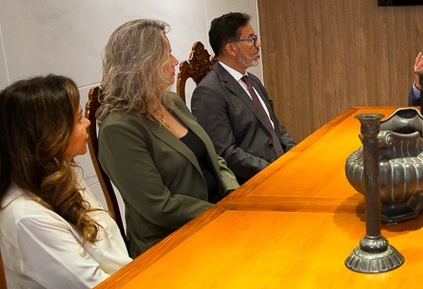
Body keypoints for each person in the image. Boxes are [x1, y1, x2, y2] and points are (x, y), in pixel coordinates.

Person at [97, 19, 238, 257]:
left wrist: (234, 195)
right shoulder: (119, 128)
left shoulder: (169, 102)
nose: (175, 62)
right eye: (167, 55)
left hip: (216, 218)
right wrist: (219, 212)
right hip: (170, 243)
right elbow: (158, 206)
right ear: (141, 65)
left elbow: (214, 158)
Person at [0, 75, 130, 289]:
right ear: (50, 134)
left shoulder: (60, 173)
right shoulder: (25, 215)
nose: (87, 123)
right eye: (78, 118)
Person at [192, 13, 295, 183]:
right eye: (252, 39)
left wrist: (294, 154)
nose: (258, 44)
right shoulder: (209, 92)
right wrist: (272, 170)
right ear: (231, 49)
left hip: (282, 170)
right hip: (253, 182)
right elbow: (225, 152)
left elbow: (273, 125)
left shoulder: (252, 80)